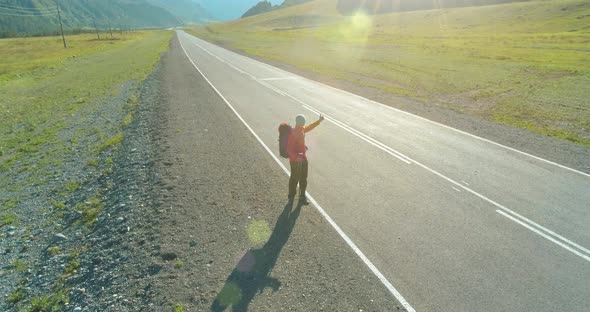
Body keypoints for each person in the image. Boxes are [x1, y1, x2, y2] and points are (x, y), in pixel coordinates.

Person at [287, 114, 324, 204]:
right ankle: (291, 197)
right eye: (303, 121)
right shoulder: (293, 132)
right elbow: (289, 149)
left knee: (303, 178)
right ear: (299, 122)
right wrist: (296, 157)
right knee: (294, 179)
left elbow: (309, 127)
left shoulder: (301, 129)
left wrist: (318, 121)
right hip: (295, 161)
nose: (304, 123)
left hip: (303, 158)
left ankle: (302, 197)